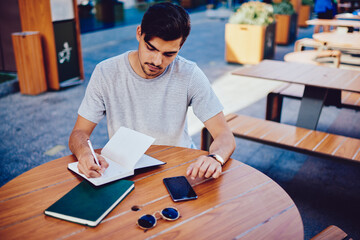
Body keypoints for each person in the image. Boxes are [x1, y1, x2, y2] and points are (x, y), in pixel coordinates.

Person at [69, 2, 236, 180]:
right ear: (139, 33)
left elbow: (224, 135)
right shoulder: (106, 72)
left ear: (181, 46)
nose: (157, 61)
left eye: (169, 54)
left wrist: (215, 158)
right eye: (151, 48)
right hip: (126, 170)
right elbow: (79, 133)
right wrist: (85, 154)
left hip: (179, 168)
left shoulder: (189, 74)